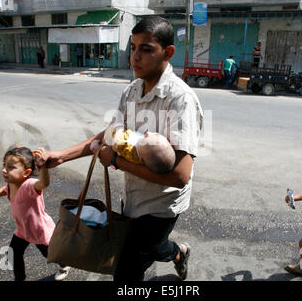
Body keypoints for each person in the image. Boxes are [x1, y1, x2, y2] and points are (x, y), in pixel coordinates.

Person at [41, 16, 204, 281]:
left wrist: (116, 161)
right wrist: (61, 156)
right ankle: (178, 252)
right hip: (132, 197)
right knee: (148, 249)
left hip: (161, 206)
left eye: (146, 49)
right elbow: (111, 135)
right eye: (133, 48)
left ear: (168, 52)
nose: (135, 57)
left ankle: (171, 251)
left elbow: (180, 175)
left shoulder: (180, 99)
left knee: (126, 271)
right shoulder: (131, 91)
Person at [0, 146, 70, 281]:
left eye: (10, 167)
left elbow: (44, 183)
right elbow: (3, 190)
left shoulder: (29, 185)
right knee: (14, 253)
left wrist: (43, 168)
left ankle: (64, 264)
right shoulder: (11, 184)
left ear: (26, 172)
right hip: (22, 230)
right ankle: (19, 278)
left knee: (48, 254)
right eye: (4, 165)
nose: (4, 170)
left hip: (38, 229)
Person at [95, 124, 176, 174]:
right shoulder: (146, 156)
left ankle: (94, 146)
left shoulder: (130, 149)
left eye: (145, 137)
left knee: (103, 141)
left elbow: (116, 145)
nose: (148, 133)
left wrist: (120, 128)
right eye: (156, 134)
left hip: (113, 138)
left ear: (140, 158)